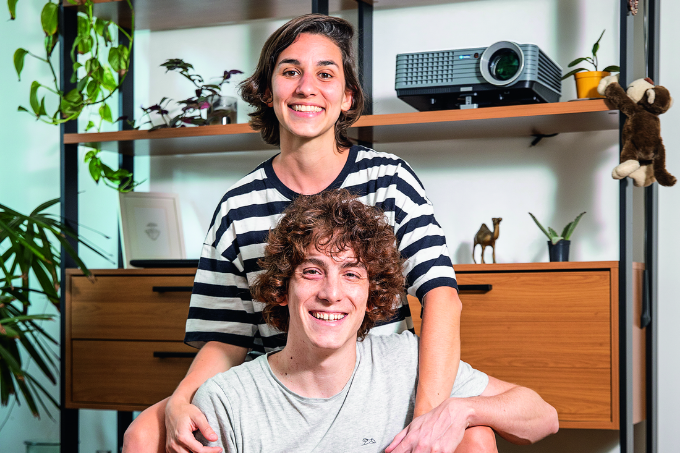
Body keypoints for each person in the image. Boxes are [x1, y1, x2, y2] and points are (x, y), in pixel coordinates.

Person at [124, 14, 466, 453]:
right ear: (268, 92)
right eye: (290, 72)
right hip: (278, 388)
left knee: (473, 437)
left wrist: (426, 420)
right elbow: (227, 336)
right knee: (141, 434)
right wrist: (182, 398)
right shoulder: (236, 205)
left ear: (347, 97)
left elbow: (442, 298)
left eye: (325, 74)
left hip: (374, 384)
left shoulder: (391, 179)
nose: (307, 87)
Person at [192, 189, 559, 453]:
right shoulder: (227, 402)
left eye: (351, 274)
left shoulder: (407, 363)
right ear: (281, 289)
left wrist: (461, 410)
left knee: (478, 435)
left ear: (373, 295)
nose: (332, 293)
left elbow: (543, 417)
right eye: (312, 272)